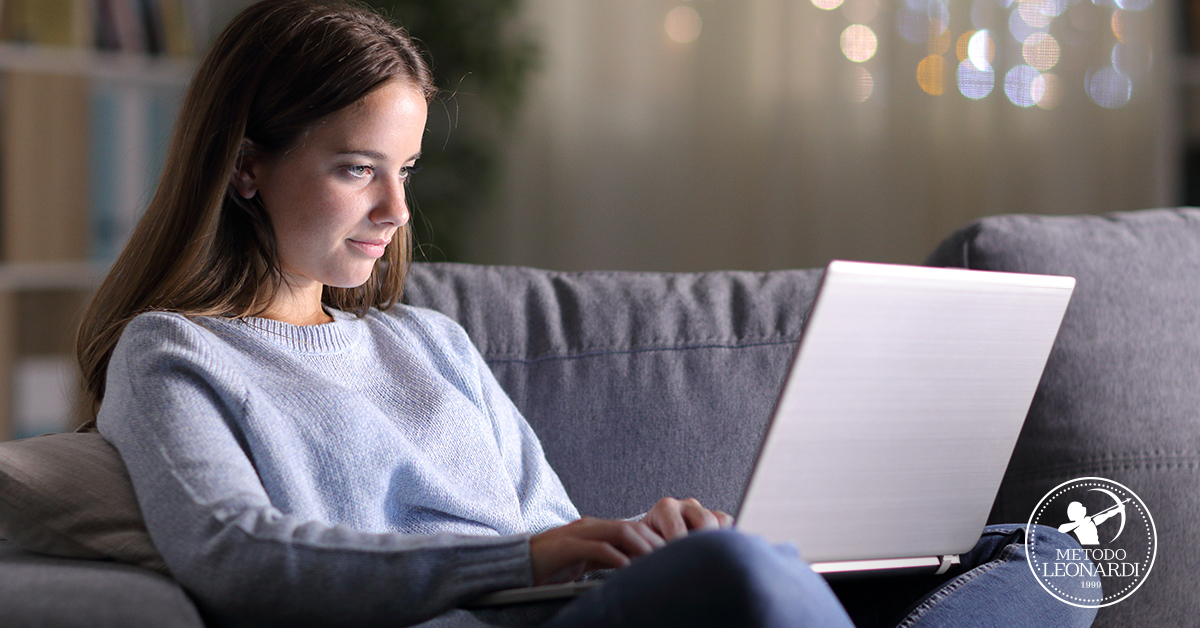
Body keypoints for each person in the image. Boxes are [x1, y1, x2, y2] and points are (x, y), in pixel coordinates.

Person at [75, 1, 1099, 627]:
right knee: (742, 571)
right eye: (356, 171)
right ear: (247, 167)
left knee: (1053, 549)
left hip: (573, 608)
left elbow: (547, 520)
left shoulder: (425, 337)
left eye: (406, 171)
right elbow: (237, 556)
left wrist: (632, 540)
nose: (396, 213)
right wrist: (531, 558)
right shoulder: (174, 354)